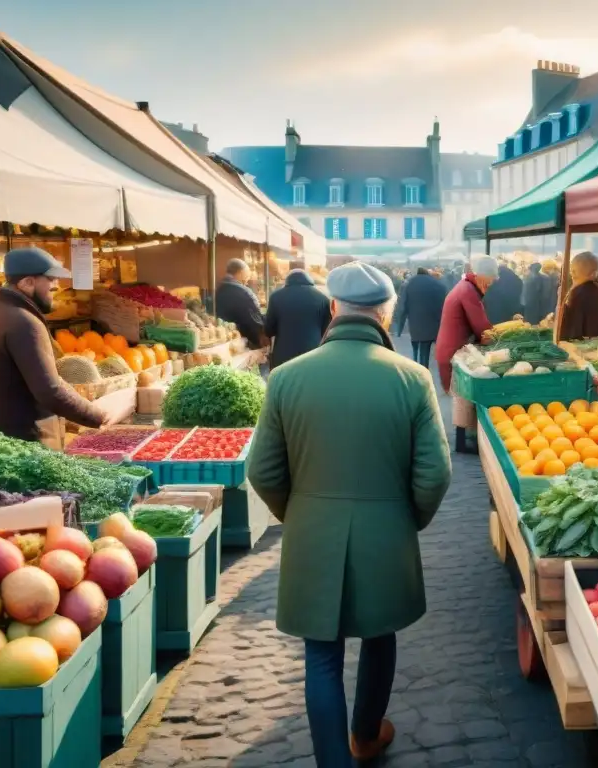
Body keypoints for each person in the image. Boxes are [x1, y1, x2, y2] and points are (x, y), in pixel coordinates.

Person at [247, 262, 451, 768]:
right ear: (385, 312)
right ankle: (365, 735)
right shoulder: (412, 377)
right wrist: (407, 519)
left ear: (333, 309)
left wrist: (295, 513)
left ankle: (333, 761)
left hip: (312, 528)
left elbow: (264, 470)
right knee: (380, 637)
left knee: (321, 654)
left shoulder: (287, 377)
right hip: (386, 529)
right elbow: (435, 474)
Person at [0, 247, 112, 442]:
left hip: (0, 435)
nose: (56, 286)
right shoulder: (24, 322)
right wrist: (98, 416)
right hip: (28, 437)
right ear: (27, 282)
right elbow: (50, 390)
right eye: (50, 279)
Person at [434, 255, 497, 394]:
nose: (491, 283)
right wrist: (499, 340)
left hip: (450, 352)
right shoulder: (468, 291)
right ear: (481, 275)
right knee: (460, 403)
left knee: (457, 401)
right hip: (453, 355)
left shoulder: (465, 286)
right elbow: (483, 330)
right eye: (490, 278)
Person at [264, 267, 332, 369]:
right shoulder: (322, 298)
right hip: (312, 353)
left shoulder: (275, 297)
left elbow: (268, 330)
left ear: (287, 280)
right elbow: (327, 330)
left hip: (283, 355)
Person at [558, 251, 598, 343]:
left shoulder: (578, 293)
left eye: (574, 270)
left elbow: (573, 327)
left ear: (591, 274)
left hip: (585, 345)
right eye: (571, 270)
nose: (572, 274)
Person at [391, 267, 447, 369]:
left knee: (416, 344)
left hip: (415, 323)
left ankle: (416, 365)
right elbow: (445, 303)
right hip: (433, 323)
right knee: (425, 348)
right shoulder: (437, 284)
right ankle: (422, 368)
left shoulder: (409, 284)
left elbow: (402, 307)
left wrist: (400, 326)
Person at [216, 258, 268, 351]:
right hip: (245, 342)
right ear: (240, 272)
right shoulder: (243, 292)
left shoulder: (220, 289)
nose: (248, 280)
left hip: (227, 338)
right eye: (247, 275)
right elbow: (254, 320)